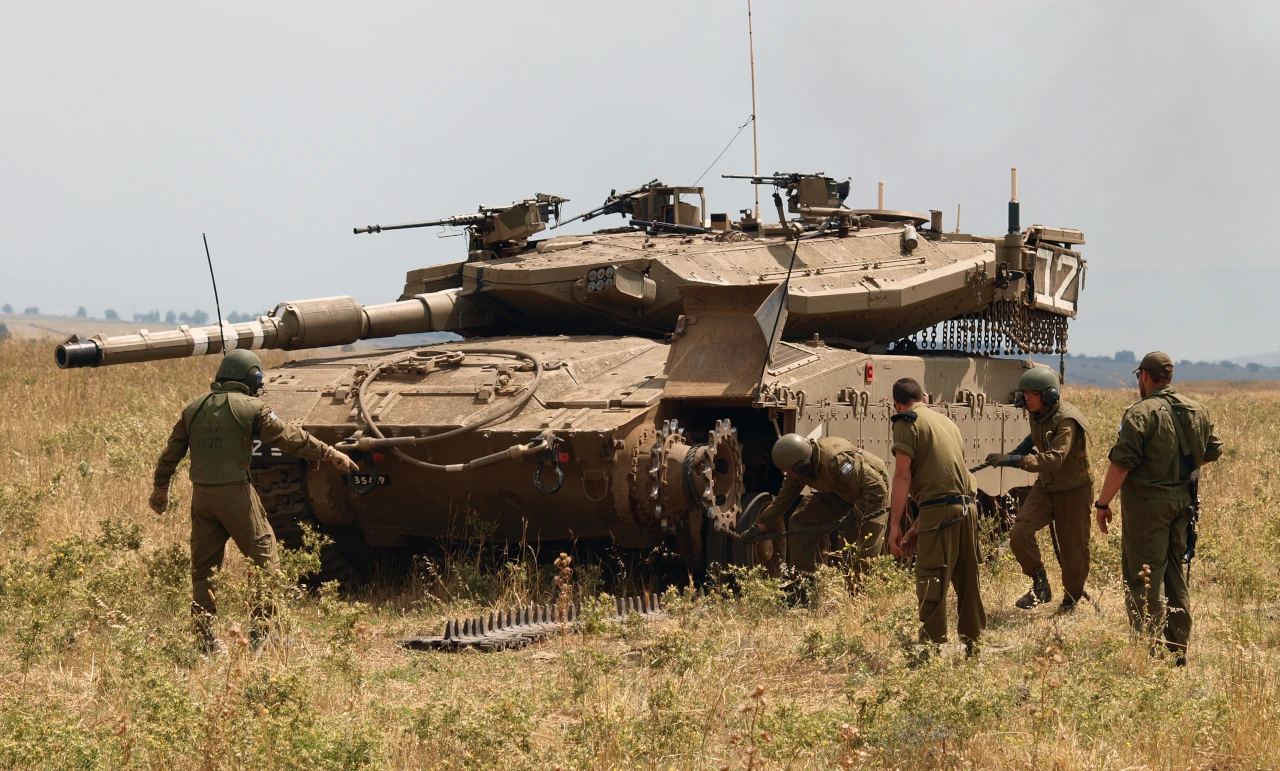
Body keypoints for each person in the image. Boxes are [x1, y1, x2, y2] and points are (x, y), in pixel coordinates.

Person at [149, 349, 358, 651]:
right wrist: (329, 453)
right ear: (252, 378)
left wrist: (161, 488)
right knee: (265, 560)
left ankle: (205, 638)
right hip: (236, 494)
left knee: (204, 569)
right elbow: (289, 437)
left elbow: (170, 455)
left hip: (202, 497)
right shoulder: (253, 408)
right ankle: (263, 634)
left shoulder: (193, 408)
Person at [1094, 352, 1221, 665]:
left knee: (1145, 576)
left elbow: (1122, 463)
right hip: (1184, 503)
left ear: (1145, 376)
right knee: (1175, 572)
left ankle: (1148, 650)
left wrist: (1103, 503)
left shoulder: (1141, 412)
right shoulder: (1197, 409)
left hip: (1148, 506)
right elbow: (1213, 449)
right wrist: (1178, 471)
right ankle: (1178, 649)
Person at [888, 377, 986, 652]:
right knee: (968, 581)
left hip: (941, 511)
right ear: (925, 398)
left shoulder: (906, 422)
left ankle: (930, 651)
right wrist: (916, 528)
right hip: (967, 509)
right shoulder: (948, 424)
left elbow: (903, 474)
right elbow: (946, 483)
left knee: (931, 578)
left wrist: (895, 525)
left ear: (897, 403)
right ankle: (974, 646)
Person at [986, 367, 1094, 612]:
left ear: (1049, 395)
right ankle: (1040, 583)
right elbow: (1036, 437)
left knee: (1073, 552)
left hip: (1074, 491)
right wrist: (1016, 452)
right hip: (1047, 487)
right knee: (1019, 533)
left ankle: (1070, 601)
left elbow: (1054, 459)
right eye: (1024, 393)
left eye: (1032, 394)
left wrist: (1014, 460)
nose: (1027, 399)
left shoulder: (1067, 420)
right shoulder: (1037, 413)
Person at [755, 434, 889, 578]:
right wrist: (759, 526)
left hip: (870, 495)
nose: (788, 475)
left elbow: (876, 487)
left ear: (802, 465)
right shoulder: (798, 471)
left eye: (789, 471)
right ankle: (804, 584)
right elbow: (782, 501)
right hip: (839, 493)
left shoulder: (836, 460)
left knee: (860, 557)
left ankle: (858, 594)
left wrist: (855, 516)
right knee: (801, 524)